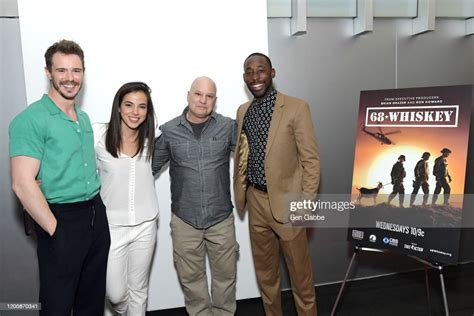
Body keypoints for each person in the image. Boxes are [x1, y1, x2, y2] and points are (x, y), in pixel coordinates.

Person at [9, 39, 110, 315]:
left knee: (91, 302)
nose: (70, 78)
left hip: (95, 217)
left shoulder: (84, 118)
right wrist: (56, 230)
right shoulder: (31, 119)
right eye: (62, 70)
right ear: (48, 72)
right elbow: (22, 182)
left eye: (76, 71)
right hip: (62, 219)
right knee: (57, 305)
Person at [233, 52, 320, 316]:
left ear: (272, 73)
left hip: (288, 203)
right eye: (249, 71)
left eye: (260, 70)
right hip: (256, 201)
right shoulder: (242, 112)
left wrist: (305, 204)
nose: (254, 77)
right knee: (266, 276)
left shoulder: (296, 107)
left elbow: (311, 160)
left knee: (300, 278)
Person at [152, 76, 238, 316]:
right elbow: (147, 169)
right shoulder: (169, 131)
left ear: (215, 101)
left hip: (221, 219)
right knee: (192, 282)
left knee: (226, 279)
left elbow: (251, 158)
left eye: (209, 96)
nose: (203, 100)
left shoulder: (228, 127)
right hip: (184, 221)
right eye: (198, 94)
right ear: (188, 95)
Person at [94, 82, 158, 315]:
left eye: (142, 106)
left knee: (139, 289)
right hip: (112, 227)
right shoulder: (99, 135)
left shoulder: (152, 137)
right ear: (118, 107)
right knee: (116, 293)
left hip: (146, 224)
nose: (135, 112)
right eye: (129, 105)